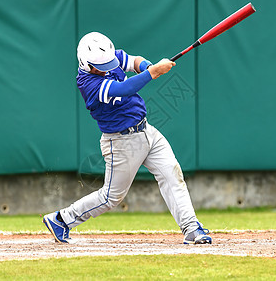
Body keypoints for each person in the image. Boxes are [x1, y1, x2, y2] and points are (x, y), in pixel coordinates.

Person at [43, 32, 212, 245]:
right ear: (86, 64)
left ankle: (192, 229)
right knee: (110, 198)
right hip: (121, 143)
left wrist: (148, 66)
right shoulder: (88, 83)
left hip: (147, 130)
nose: (108, 67)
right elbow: (123, 89)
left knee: (172, 174)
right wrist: (153, 73)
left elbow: (133, 61)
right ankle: (62, 219)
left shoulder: (107, 58)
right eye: (101, 65)